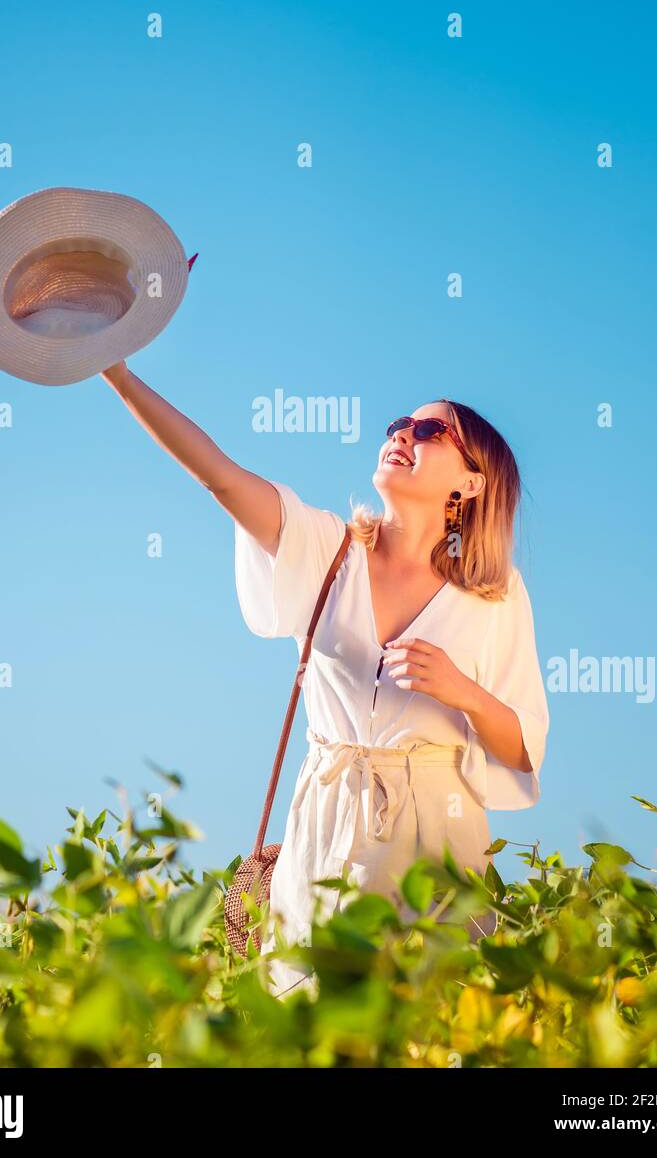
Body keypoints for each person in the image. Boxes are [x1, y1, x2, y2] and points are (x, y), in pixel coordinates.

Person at [100, 365, 549, 998]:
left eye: (428, 430)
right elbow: (219, 476)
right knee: (308, 1013)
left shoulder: (494, 598)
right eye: (399, 424)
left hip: (439, 827)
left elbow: (521, 747)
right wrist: (116, 372)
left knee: (433, 1017)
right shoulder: (327, 549)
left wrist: (461, 690)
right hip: (328, 816)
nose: (402, 434)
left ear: (472, 482)